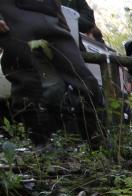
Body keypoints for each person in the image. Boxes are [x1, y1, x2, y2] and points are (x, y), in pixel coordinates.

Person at [0, 0, 103, 142]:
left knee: (84, 79)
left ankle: (96, 141)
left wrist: (62, 23)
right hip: (12, 14)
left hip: (51, 16)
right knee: (26, 81)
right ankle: (39, 145)